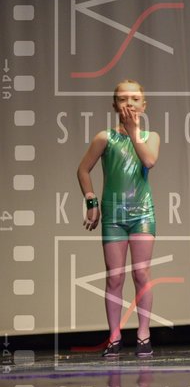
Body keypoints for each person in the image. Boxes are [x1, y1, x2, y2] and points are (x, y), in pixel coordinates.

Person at [77, 79, 161, 358]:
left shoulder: (151, 137)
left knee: (141, 274)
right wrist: (91, 202)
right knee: (115, 277)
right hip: (113, 216)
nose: (129, 104)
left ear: (144, 105)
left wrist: (134, 131)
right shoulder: (105, 138)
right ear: (114, 105)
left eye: (135, 99)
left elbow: (149, 161)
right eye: (123, 99)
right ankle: (114, 336)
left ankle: (143, 334)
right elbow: (83, 170)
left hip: (142, 213)